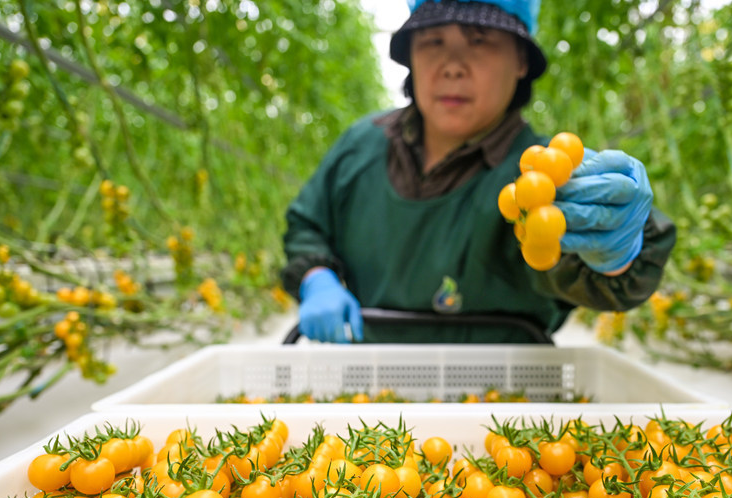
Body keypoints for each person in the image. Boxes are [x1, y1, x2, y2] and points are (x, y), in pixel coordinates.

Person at [281, 0, 675, 344]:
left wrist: (615, 253)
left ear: (521, 60)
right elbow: (307, 223)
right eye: (433, 41)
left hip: (506, 403)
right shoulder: (360, 147)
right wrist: (317, 276)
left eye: (480, 39)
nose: (452, 67)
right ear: (410, 57)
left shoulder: (541, 178)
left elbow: (584, 271)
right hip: (372, 388)